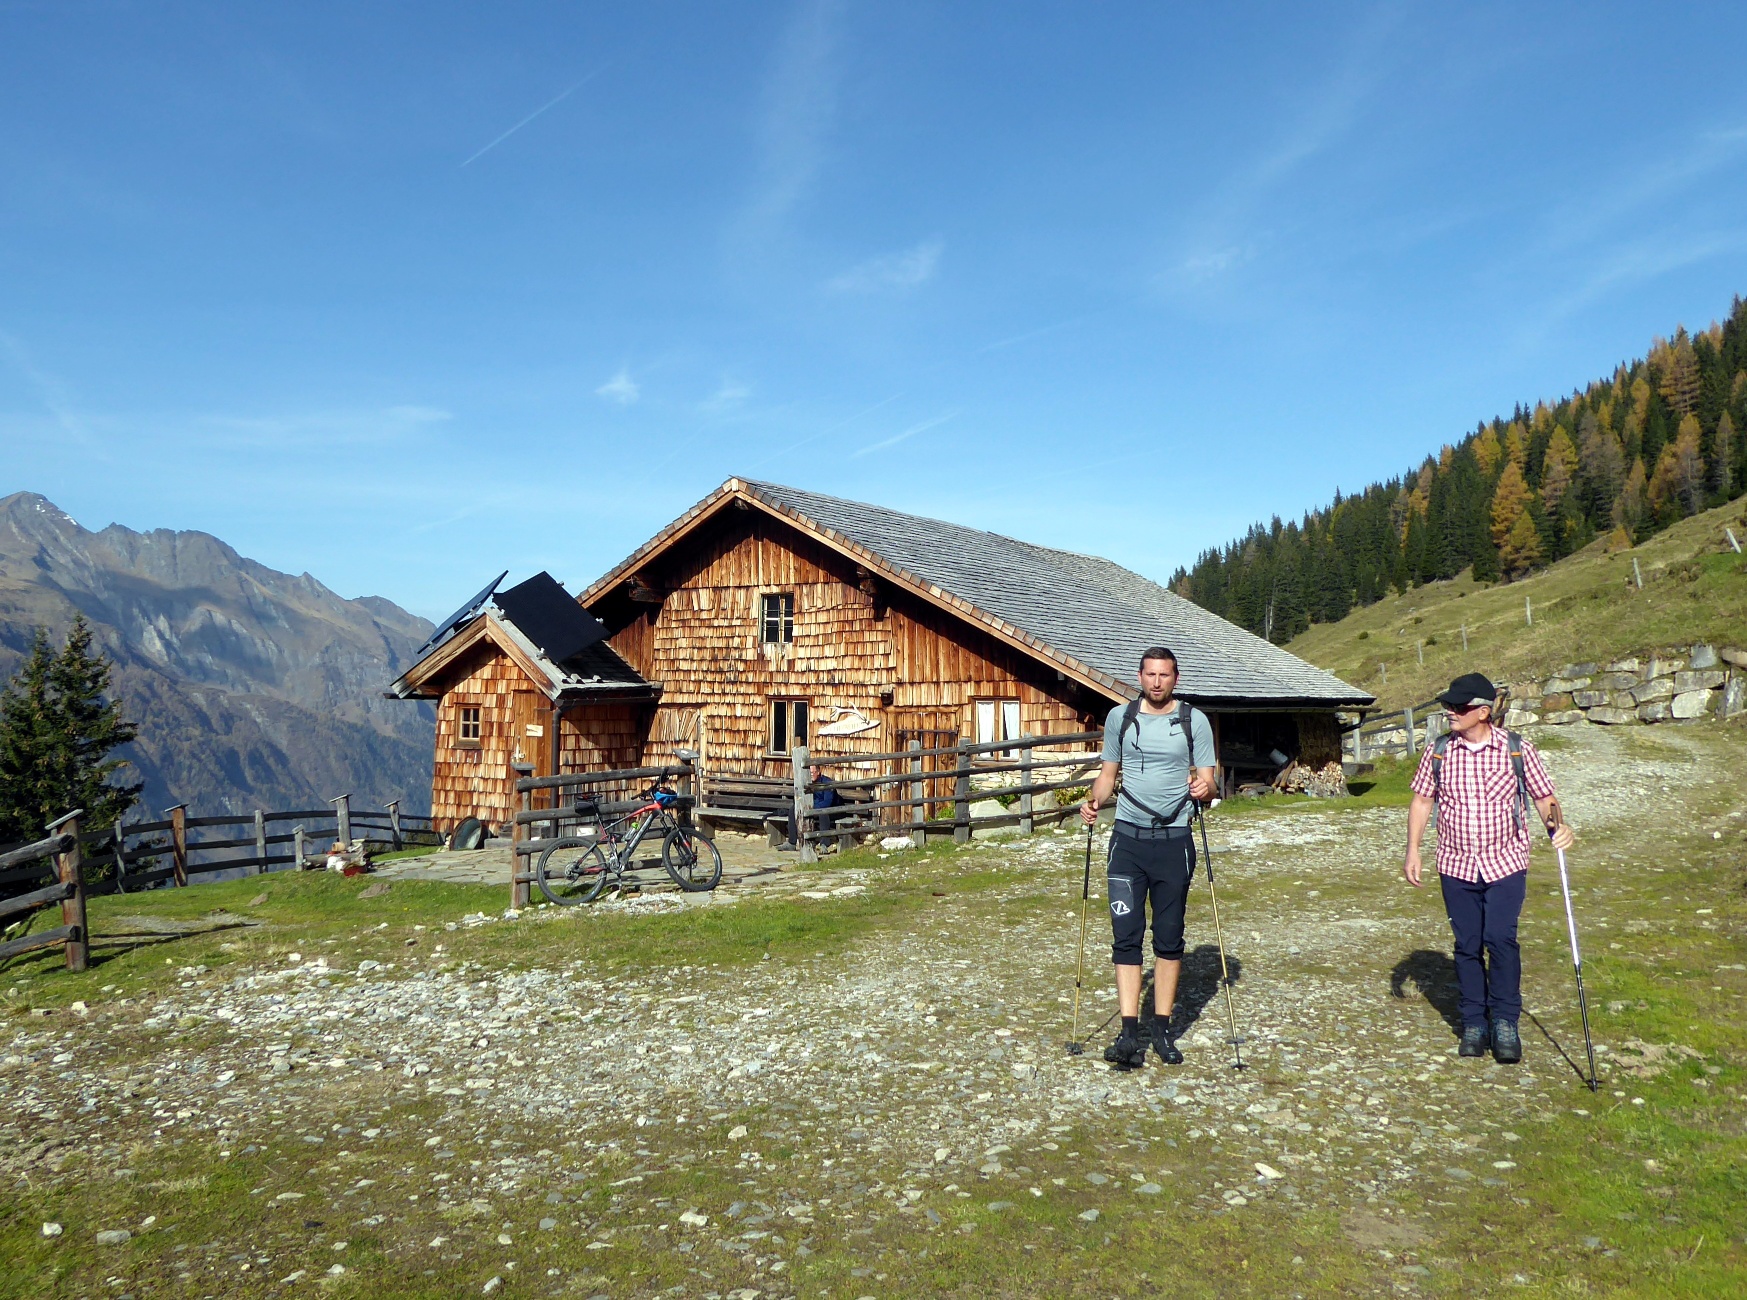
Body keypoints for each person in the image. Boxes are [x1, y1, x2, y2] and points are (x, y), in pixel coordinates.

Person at [1403, 672, 1576, 1064]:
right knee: (1466, 946)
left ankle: (1504, 1022)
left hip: (1506, 862)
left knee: (1499, 940)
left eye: (1459, 707)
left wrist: (1557, 827)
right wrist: (1413, 851)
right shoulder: (1439, 751)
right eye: (1448, 705)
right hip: (1455, 864)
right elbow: (1421, 803)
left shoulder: (1517, 749)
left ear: (1483, 711)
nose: (1450, 712)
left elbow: (1544, 798)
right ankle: (1473, 1023)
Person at [1080, 647, 1217, 1068]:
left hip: (1174, 840)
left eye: (1165, 675)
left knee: (1169, 938)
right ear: (1139, 676)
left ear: (1176, 678)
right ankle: (1128, 1033)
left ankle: (1161, 1030)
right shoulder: (1120, 719)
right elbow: (1107, 776)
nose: (1157, 682)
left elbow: (1209, 782)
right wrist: (1092, 801)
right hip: (1127, 841)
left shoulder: (1195, 721)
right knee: (1126, 935)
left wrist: (1204, 790)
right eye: (1150, 674)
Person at [783, 763, 845, 850]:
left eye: (812, 772)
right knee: (793, 809)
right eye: (809, 773)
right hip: (812, 809)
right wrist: (802, 805)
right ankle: (792, 842)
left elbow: (827, 803)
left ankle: (824, 843)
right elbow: (798, 798)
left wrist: (811, 807)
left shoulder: (827, 782)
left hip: (833, 810)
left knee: (823, 812)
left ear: (818, 772)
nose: (811, 775)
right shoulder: (806, 783)